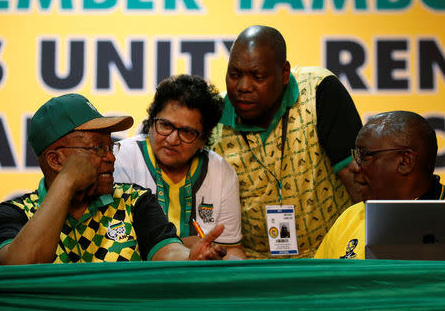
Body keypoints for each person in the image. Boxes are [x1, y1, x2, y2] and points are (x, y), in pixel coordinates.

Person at [0, 93, 226, 265]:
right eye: (96, 148)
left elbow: (167, 251)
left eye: (110, 146)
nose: (110, 157)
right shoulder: (14, 213)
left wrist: (188, 258)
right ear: (56, 160)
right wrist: (66, 183)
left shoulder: (134, 200)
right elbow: (21, 267)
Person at [210, 25, 363, 259]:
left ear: (284, 74)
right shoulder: (212, 117)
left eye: (257, 76)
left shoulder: (319, 91)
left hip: (330, 261)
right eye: (234, 74)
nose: (243, 87)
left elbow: (359, 182)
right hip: (253, 268)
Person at [114, 75, 246, 260]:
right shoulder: (121, 158)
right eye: (166, 125)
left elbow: (232, 250)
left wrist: (222, 261)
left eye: (186, 132)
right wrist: (186, 245)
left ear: (203, 140)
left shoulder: (221, 171)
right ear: (151, 122)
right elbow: (117, 243)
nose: (172, 139)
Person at [315, 111, 445, 259]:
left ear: (405, 161)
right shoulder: (350, 218)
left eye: (364, 155)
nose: (353, 166)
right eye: (355, 155)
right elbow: (320, 281)